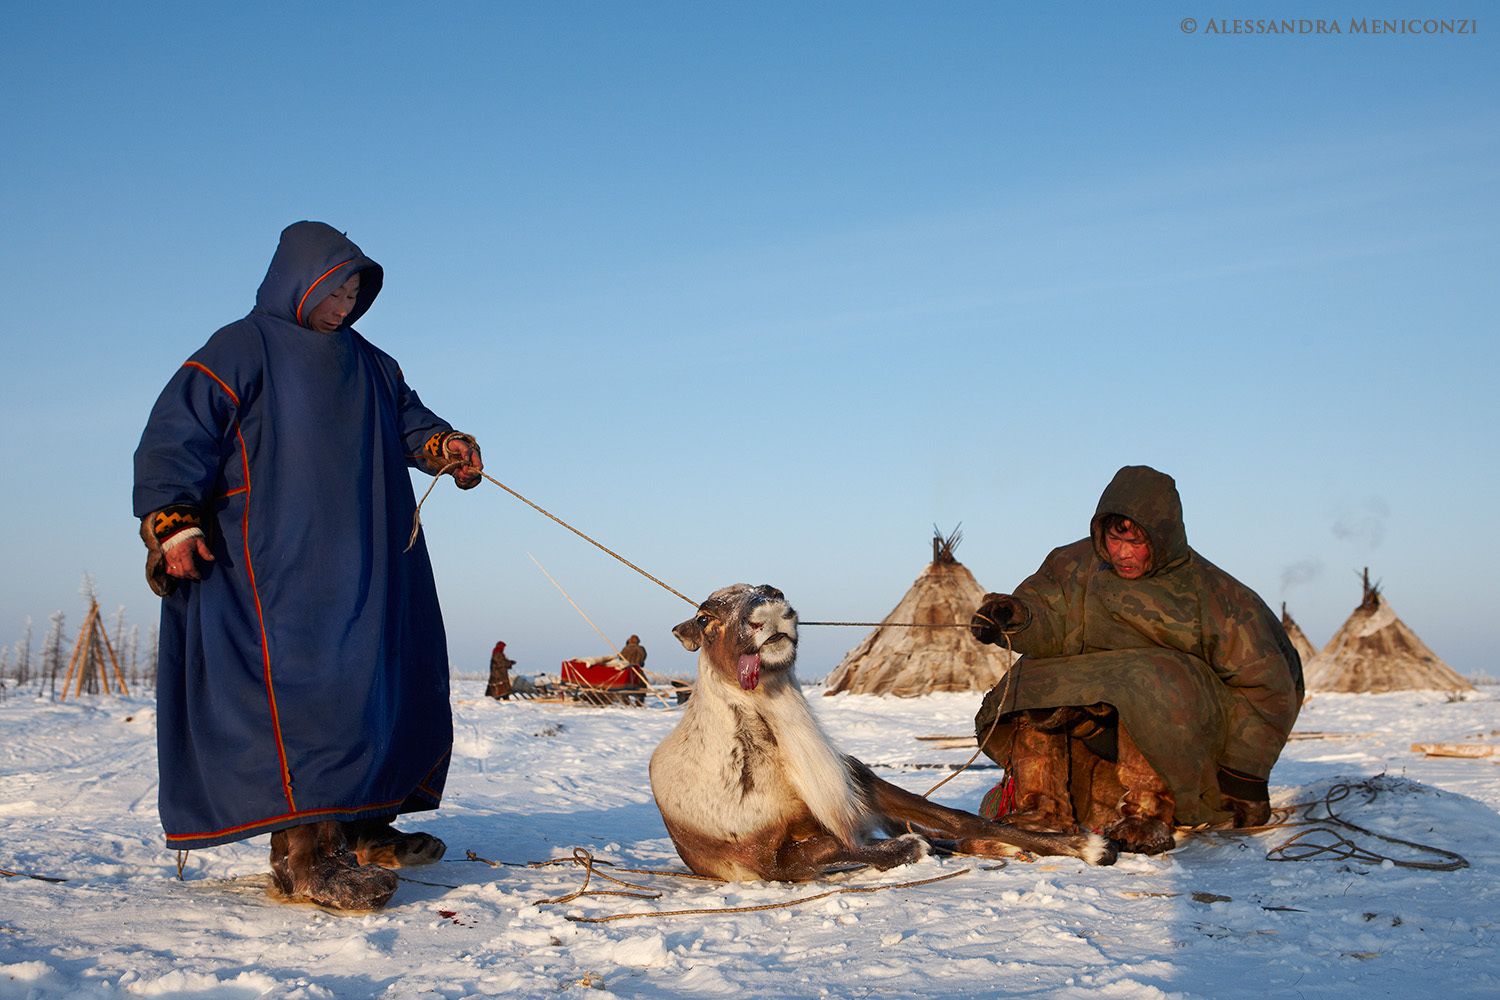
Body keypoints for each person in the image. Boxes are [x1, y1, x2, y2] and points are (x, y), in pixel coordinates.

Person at [133, 221, 484, 910]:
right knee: (304, 699)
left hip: (371, 553)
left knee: (371, 687)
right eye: (335, 287)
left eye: (355, 290)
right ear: (299, 279)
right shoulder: (239, 349)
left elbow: (409, 423)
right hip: (272, 561)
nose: (345, 302)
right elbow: (176, 438)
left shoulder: (373, 364)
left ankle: (362, 826)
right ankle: (305, 860)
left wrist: (444, 444)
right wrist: (171, 520)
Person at [969, 465, 1303, 855]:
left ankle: (1147, 813)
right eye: (1114, 538)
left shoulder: (1217, 596)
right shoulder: (1073, 566)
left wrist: (1242, 778)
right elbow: (1047, 616)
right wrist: (1015, 618)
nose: (1123, 553)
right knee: (1028, 679)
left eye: (1138, 541)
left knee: (1147, 679)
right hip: (1099, 754)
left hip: (1186, 755)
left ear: (1163, 537)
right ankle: (1040, 810)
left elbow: (1269, 683)